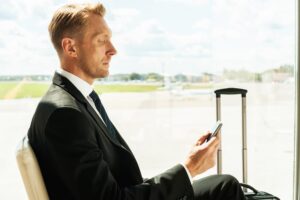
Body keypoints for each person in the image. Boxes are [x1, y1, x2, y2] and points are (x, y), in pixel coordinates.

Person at [27, 3, 246, 200]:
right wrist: (189, 168)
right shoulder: (65, 115)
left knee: (223, 184)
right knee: (224, 188)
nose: (113, 50)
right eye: (101, 40)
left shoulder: (74, 100)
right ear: (71, 48)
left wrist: (187, 169)